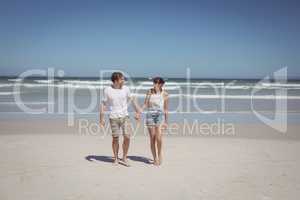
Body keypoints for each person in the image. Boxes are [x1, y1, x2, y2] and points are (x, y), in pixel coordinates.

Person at [99, 72, 140, 167]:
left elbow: (132, 99)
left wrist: (137, 112)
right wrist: (101, 119)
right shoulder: (107, 90)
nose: (124, 80)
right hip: (113, 117)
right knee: (115, 138)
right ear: (116, 80)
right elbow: (103, 104)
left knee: (127, 136)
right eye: (122, 79)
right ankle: (116, 158)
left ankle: (124, 157)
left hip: (125, 116)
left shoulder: (126, 89)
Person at [142, 77, 168, 166]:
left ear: (161, 84)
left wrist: (166, 121)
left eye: (157, 83)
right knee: (152, 138)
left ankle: (160, 154)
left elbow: (165, 109)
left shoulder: (165, 94)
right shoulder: (149, 91)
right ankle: (155, 158)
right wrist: (139, 112)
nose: (155, 84)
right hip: (150, 115)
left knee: (159, 138)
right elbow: (145, 104)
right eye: (154, 83)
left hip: (159, 115)